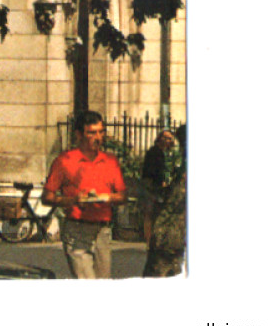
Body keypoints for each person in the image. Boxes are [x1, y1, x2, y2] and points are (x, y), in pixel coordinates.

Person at [42, 109, 127, 279]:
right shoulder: (65, 161)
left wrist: (107, 197)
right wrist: (73, 200)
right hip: (76, 229)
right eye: (92, 133)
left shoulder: (110, 161)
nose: (98, 137)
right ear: (79, 135)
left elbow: (123, 196)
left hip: (102, 230)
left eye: (101, 132)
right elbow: (47, 197)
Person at [143, 125, 186, 277]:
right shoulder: (155, 153)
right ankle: (147, 240)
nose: (168, 140)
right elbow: (150, 172)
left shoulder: (172, 155)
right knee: (150, 213)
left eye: (171, 138)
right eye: (165, 137)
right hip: (154, 189)